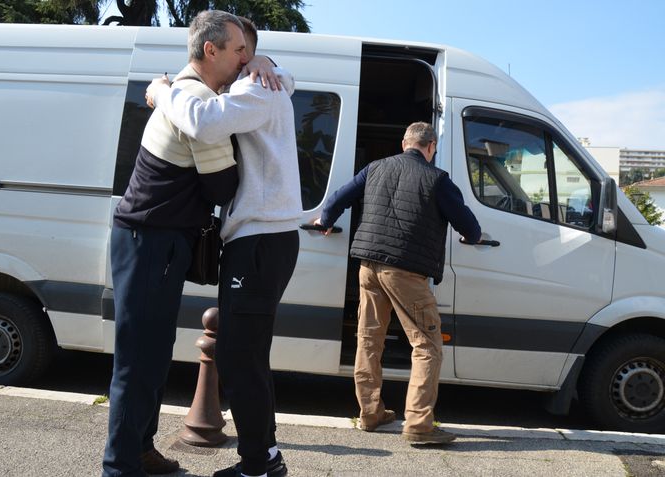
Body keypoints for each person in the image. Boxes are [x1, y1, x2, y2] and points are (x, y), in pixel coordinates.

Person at [147, 16, 300, 477]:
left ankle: (259, 463)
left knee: (238, 355)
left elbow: (201, 123)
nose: (239, 58)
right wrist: (273, 65)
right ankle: (264, 457)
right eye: (236, 51)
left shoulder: (256, 87)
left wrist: (161, 91)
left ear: (248, 55)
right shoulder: (264, 81)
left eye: (242, 51)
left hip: (259, 240)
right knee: (247, 354)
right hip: (262, 239)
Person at [102, 11, 249, 476]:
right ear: (211, 50)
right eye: (238, 50)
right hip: (151, 239)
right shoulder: (198, 101)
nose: (245, 59)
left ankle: (139, 450)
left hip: (151, 238)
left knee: (151, 352)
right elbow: (222, 187)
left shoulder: (183, 91)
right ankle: (120, 465)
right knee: (139, 358)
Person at [314, 122, 482, 445]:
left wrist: (325, 220)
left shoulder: (375, 167)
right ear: (430, 147)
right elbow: (468, 224)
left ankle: (370, 413)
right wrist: (470, 236)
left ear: (405, 142)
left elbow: (340, 197)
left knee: (369, 338)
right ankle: (419, 425)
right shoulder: (437, 180)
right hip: (405, 271)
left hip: (368, 266)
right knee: (427, 345)